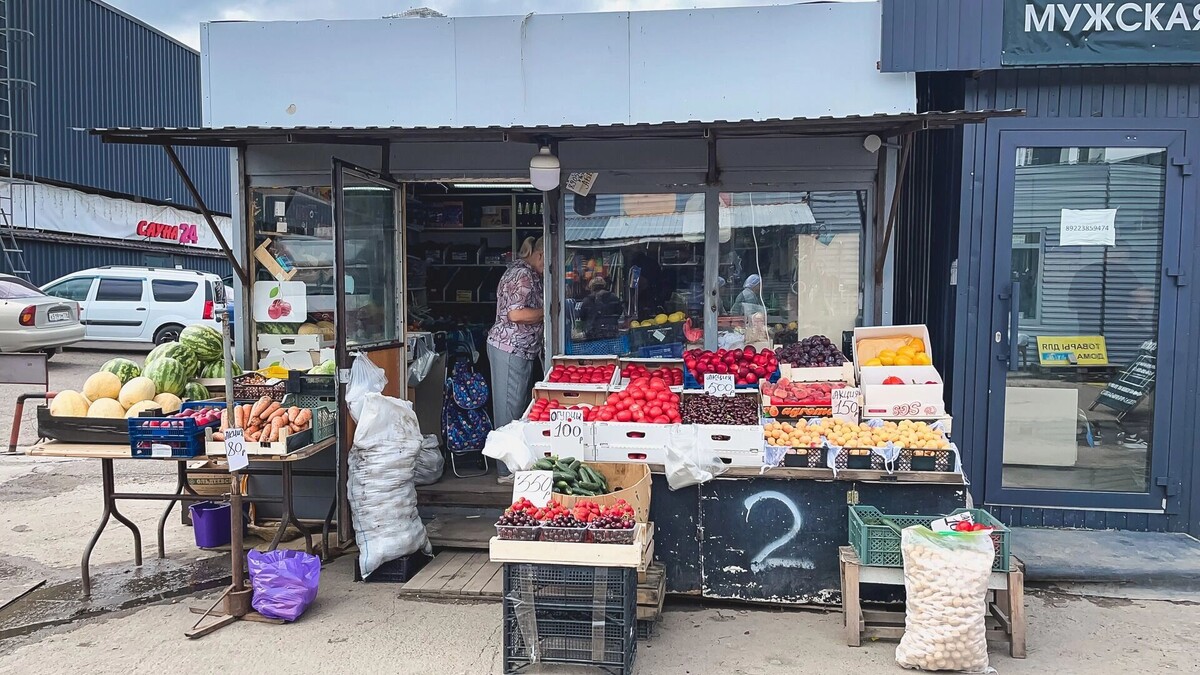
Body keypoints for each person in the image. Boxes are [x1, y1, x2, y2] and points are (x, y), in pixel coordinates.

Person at [487, 236, 545, 482]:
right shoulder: (521, 275)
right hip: (510, 348)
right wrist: (549, 310)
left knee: (516, 406)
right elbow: (516, 314)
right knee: (509, 410)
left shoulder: (528, 273)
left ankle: (513, 465)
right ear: (541, 255)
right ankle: (506, 471)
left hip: (520, 349)